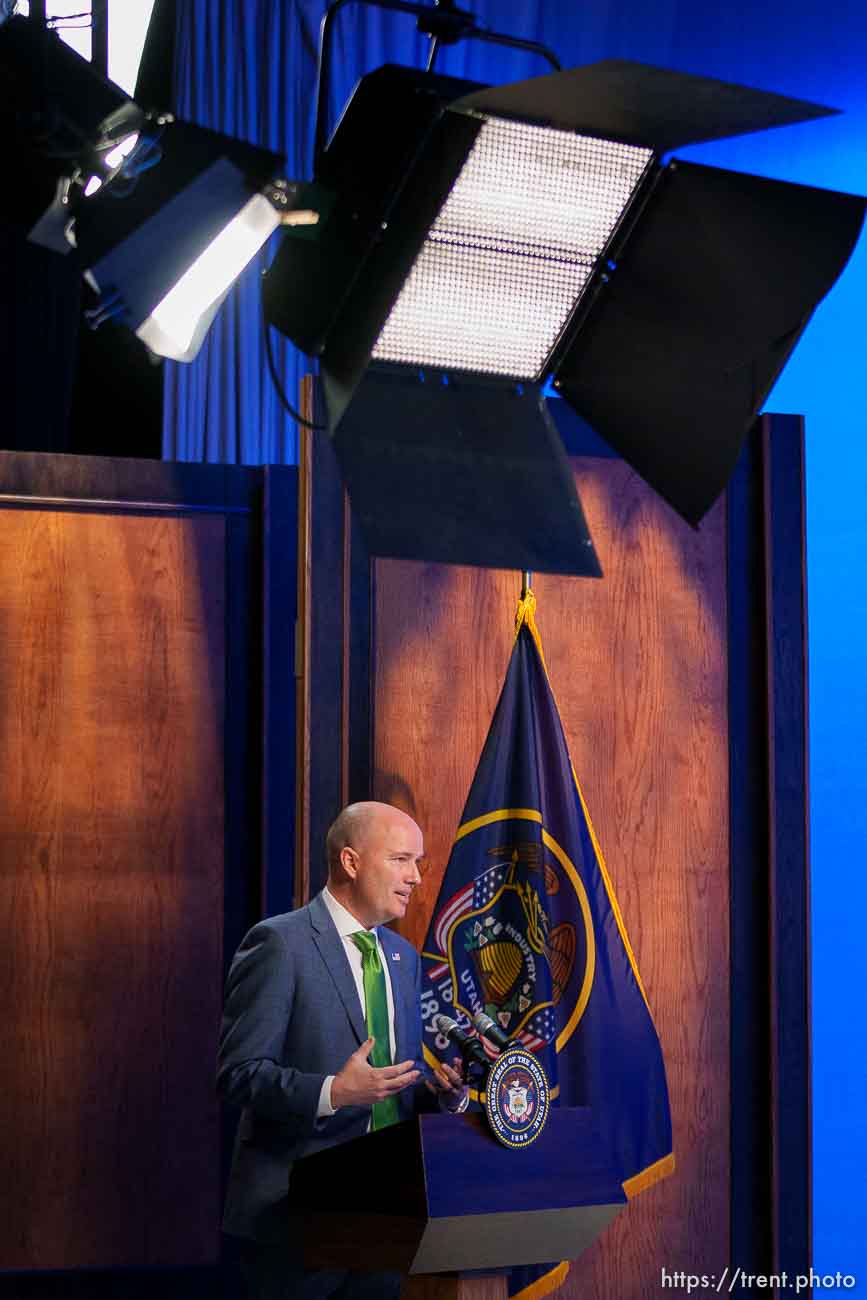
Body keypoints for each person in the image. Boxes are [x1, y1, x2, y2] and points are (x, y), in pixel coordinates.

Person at [217, 801, 467, 1300]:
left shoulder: (401, 958)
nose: (416, 877)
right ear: (350, 862)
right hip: (293, 1220)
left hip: (384, 1215)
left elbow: (391, 1089)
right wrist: (334, 1091)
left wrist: (436, 1095)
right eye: (400, 860)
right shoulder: (279, 944)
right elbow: (238, 1075)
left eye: (418, 862)